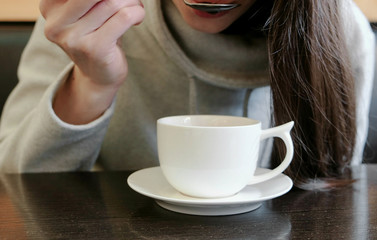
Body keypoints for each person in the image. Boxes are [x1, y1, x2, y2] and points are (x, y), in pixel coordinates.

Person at [0, 0, 375, 189]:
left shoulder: (339, 32)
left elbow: (333, 197)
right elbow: (15, 189)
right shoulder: (89, 17)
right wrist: (92, 84)